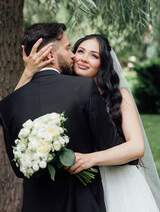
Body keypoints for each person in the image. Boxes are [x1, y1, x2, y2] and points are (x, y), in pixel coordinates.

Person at [16, 32, 160, 211]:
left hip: (118, 180)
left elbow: (137, 147)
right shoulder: (61, 91)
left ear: (103, 63)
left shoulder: (120, 97)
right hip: (79, 187)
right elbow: (15, 107)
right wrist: (28, 72)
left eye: (94, 55)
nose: (84, 58)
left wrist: (90, 159)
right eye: (81, 51)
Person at [0, 22, 126, 212]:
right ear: (50, 54)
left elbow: (19, 170)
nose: (73, 55)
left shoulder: (9, 104)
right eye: (68, 48)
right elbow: (112, 147)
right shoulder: (84, 89)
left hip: (36, 205)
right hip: (82, 203)